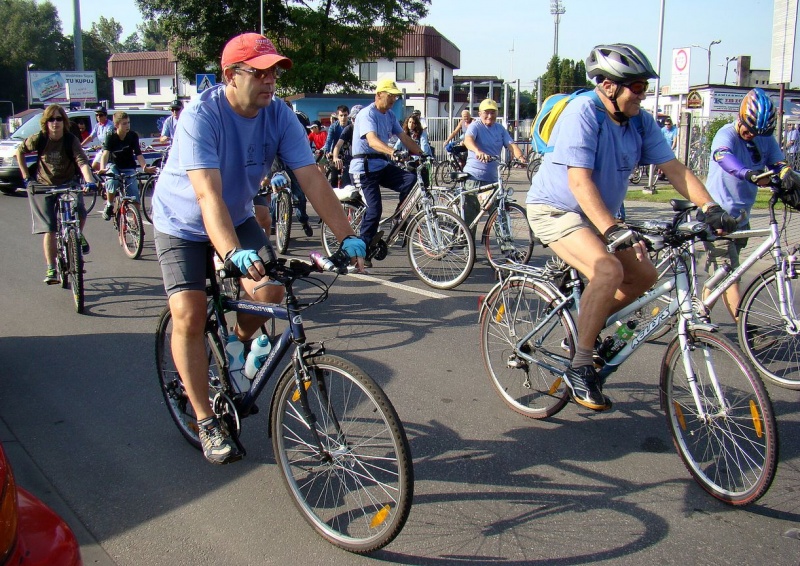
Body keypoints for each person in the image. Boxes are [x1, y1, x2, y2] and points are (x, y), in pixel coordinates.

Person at [151, 32, 365, 465]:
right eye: (260, 72)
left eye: (275, 73)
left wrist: (346, 235)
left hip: (237, 214)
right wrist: (232, 253)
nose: (270, 81)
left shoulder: (279, 115)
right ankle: (206, 418)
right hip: (183, 220)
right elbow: (207, 197)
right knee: (190, 313)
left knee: (269, 292)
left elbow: (312, 178)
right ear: (230, 75)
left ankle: (237, 339)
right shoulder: (202, 116)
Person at [525, 43, 737, 412]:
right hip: (556, 209)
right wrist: (611, 230)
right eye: (637, 87)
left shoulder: (640, 120)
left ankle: (581, 331)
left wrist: (711, 207)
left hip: (599, 214)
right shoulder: (583, 113)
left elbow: (674, 169)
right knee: (608, 270)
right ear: (608, 85)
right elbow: (579, 182)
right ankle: (580, 364)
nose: (644, 94)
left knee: (644, 276)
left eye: (645, 87)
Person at [702, 88, 787, 321]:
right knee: (731, 273)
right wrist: (746, 173)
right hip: (717, 216)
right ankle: (745, 330)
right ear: (740, 117)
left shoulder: (765, 138)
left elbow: (779, 164)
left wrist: (786, 175)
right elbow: (722, 156)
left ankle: (701, 310)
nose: (752, 134)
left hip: (741, 218)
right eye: (748, 129)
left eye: (758, 131)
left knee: (721, 274)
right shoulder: (726, 133)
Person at [16, 104, 97, 283]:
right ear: (46, 122)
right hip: (44, 185)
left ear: (64, 121)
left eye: (59, 119)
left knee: (81, 212)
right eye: (51, 119)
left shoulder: (70, 139)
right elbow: (19, 151)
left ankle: (76, 235)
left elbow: (82, 161)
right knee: (50, 228)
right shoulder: (40, 139)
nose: (55, 123)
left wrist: (89, 181)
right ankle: (51, 269)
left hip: (68, 182)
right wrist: (26, 177)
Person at [349, 79, 422, 257]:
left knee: (411, 180)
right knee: (374, 210)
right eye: (390, 96)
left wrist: (422, 153)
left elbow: (404, 137)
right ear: (378, 95)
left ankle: (399, 218)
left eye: (395, 97)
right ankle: (362, 252)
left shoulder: (389, 116)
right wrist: (392, 152)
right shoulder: (367, 114)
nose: (393, 100)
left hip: (381, 166)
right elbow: (372, 141)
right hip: (363, 170)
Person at [462, 98, 526, 234]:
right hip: (474, 177)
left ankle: (507, 248)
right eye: (487, 112)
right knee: (471, 217)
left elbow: (511, 144)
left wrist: (520, 157)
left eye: (493, 113)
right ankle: (468, 250)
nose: (490, 116)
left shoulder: (500, 129)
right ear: (480, 113)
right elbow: (468, 140)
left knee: (498, 213)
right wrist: (478, 151)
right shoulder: (475, 126)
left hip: (492, 179)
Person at [98, 111, 156, 220]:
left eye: (128, 123)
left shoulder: (133, 136)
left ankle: (137, 221)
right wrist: (102, 168)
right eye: (124, 123)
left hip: (129, 167)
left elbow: (138, 153)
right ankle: (110, 204)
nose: (127, 125)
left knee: (134, 193)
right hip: (114, 165)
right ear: (116, 125)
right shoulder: (110, 136)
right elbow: (105, 154)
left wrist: (145, 167)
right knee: (112, 180)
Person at [331, 104, 362, 188]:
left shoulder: (369, 128)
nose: (353, 120)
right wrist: (335, 157)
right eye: (352, 118)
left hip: (367, 163)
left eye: (355, 118)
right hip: (351, 162)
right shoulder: (349, 129)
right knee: (347, 187)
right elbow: (338, 145)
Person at [323, 105, 350, 186]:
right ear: (338, 116)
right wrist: (327, 151)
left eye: (345, 115)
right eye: (341, 115)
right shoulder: (334, 127)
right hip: (335, 153)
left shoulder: (351, 125)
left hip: (348, 153)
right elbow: (329, 140)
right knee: (334, 177)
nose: (343, 118)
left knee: (348, 177)